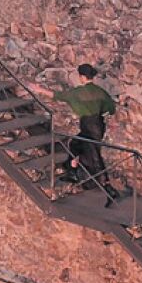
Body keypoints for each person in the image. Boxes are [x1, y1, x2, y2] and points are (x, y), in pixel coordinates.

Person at [53, 62, 118, 190]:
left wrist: (39, 89)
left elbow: (60, 96)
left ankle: (107, 186)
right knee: (76, 145)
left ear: (82, 76)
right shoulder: (100, 92)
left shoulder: (80, 92)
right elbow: (111, 108)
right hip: (98, 125)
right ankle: (73, 171)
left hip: (88, 125)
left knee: (94, 156)